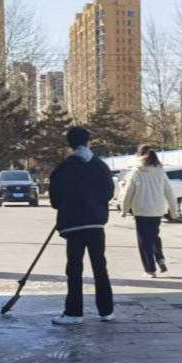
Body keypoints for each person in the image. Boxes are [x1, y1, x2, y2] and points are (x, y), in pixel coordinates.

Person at [48, 126, 115, 325]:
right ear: (88, 142)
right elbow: (109, 193)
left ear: (69, 144)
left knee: (74, 269)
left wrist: (68, 205)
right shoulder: (100, 166)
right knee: (100, 267)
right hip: (95, 223)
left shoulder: (62, 168)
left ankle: (74, 313)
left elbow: (55, 200)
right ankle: (106, 311)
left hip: (73, 225)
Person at [121, 147, 177, 276]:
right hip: (157, 210)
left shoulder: (136, 171)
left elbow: (128, 192)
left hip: (141, 211)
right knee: (154, 235)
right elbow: (169, 191)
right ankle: (160, 258)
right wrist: (174, 211)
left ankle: (150, 269)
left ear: (139, 155)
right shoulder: (160, 171)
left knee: (144, 241)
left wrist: (124, 209)